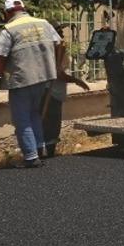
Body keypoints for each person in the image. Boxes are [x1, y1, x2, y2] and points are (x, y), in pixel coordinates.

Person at [0, 0, 62, 168]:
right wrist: (55, 66)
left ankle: (30, 157)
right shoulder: (43, 23)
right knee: (34, 113)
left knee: (22, 119)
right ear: (23, 9)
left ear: (6, 13)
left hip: (22, 79)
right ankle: (38, 148)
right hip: (43, 77)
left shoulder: (9, 29)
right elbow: (60, 43)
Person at [40, 24, 90, 158]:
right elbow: (58, 73)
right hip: (52, 92)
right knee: (51, 123)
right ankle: (47, 152)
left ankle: (45, 151)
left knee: (48, 122)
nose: (62, 35)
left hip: (52, 91)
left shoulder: (51, 49)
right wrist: (77, 81)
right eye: (59, 32)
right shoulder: (54, 51)